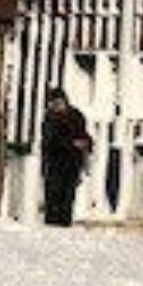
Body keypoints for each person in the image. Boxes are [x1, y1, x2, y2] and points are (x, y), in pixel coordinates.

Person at [40, 87, 93, 227]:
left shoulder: (76, 115)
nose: (56, 105)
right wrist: (72, 143)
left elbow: (84, 134)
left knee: (68, 198)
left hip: (72, 164)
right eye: (54, 102)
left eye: (59, 101)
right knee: (54, 197)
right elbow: (50, 142)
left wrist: (87, 143)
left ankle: (64, 223)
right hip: (55, 164)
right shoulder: (50, 118)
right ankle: (52, 225)